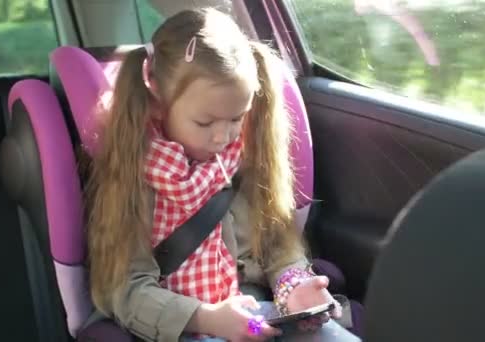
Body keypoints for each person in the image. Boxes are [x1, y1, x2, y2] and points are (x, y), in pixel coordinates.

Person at [85, 7, 358, 342]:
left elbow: (274, 244)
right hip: (186, 327)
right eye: (205, 123)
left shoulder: (242, 158)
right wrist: (208, 319)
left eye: (236, 118)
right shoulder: (131, 176)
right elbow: (124, 288)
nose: (223, 137)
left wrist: (294, 285)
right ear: (157, 102)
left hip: (255, 319)